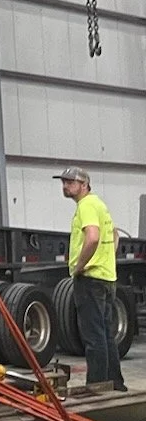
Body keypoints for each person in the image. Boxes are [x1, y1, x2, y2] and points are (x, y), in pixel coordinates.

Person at [58, 167, 126, 395]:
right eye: (64, 182)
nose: (65, 186)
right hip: (107, 277)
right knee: (106, 333)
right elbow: (114, 234)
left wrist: (79, 266)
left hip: (91, 279)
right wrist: (107, 260)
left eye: (70, 182)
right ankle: (114, 382)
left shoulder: (86, 205)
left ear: (84, 185)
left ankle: (96, 386)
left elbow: (93, 237)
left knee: (93, 335)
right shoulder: (99, 204)